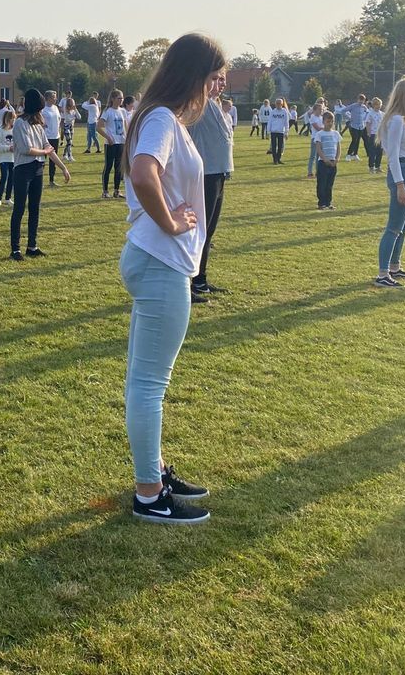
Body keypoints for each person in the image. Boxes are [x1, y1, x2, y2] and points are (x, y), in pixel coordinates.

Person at [121, 32, 223, 525]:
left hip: (155, 259)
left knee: (144, 380)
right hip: (159, 259)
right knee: (149, 384)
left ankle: (154, 473)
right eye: (215, 77)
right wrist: (169, 221)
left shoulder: (165, 117)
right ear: (194, 76)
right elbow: (144, 173)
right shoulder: (161, 117)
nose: (218, 87)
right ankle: (148, 495)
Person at [9, 89, 70, 260]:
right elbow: (26, 149)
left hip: (37, 169)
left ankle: (32, 246)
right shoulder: (20, 123)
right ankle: (15, 249)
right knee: (19, 209)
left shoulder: (37, 124)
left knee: (35, 209)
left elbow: (48, 148)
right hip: (23, 170)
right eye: (40, 108)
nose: (42, 112)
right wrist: (44, 151)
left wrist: (63, 167)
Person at [186, 67, 232, 299]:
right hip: (206, 175)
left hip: (219, 173)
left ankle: (200, 279)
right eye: (216, 79)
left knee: (209, 231)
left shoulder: (218, 106)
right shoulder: (198, 104)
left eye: (223, 80)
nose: (221, 84)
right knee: (200, 231)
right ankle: (190, 283)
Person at [374, 77, 405, 288]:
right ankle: (383, 273)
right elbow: (393, 155)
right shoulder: (395, 120)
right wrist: (401, 185)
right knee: (394, 227)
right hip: (402, 172)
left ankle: (395, 266)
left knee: (404, 226)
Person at [99, 89, 127, 197]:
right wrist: (108, 137)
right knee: (108, 166)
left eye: (122, 98)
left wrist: (128, 138)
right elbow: (99, 127)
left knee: (119, 167)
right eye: (119, 98)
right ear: (113, 99)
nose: (121, 100)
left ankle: (117, 190)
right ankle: (105, 191)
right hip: (111, 143)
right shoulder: (108, 111)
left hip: (121, 142)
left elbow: (126, 126)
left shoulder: (122, 111)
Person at [313, 111, 339, 210]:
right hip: (323, 163)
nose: (330, 123)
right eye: (328, 121)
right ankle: (321, 203)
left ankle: (328, 202)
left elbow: (338, 147)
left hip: (333, 162)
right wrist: (325, 159)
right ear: (323, 121)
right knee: (322, 183)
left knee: (329, 184)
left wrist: (337, 159)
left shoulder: (336, 134)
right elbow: (319, 148)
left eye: (332, 121)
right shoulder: (320, 134)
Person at [0, 109, 15, 205]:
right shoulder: (0, 131)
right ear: (7, 119)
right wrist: (8, 148)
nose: (13, 121)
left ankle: (8, 198)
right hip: (4, 159)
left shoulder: (15, 130)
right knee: (4, 177)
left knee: (11, 178)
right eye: (12, 119)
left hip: (13, 159)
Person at [42, 91, 63, 186]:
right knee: (42, 160)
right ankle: (38, 179)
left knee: (53, 160)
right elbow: (39, 122)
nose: (55, 99)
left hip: (55, 136)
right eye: (54, 97)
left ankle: (51, 180)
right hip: (47, 137)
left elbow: (58, 120)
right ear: (48, 98)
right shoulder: (43, 109)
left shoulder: (55, 108)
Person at [267, 97, 292, 164]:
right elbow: (270, 121)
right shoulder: (273, 112)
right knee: (274, 146)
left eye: (279, 103)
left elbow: (286, 122)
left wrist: (286, 132)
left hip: (281, 132)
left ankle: (278, 159)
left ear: (282, 104)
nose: (278, 105)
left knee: (280, 147)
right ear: (275, 104)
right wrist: (268, 131)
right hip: (273, 132)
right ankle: (275, 160)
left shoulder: (284, 112)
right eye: (277, 103)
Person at [303, 100, 326, 177]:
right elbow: (318, 128)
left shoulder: (322, 117)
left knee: (319, 157)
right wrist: (325, 128)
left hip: (321, 139)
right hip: (315, 139)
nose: (321, 110)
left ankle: (318, 172)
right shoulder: (313, 117)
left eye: (322, 109)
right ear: (315, 110)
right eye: (319, 109)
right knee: (312, 156)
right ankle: (310, 172)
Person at [364, 97, 385, 174]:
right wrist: (369, 133)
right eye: (376, 104)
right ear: (373, 105)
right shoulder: (370, 113)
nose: (378, 106)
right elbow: (368, 123)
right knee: (372, 151)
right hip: (373, 134)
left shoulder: (382, 114)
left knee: (379, 151)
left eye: (379, 104)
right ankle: (371, 167)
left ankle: (378, 166)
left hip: (380, 135)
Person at [345, 94, 368, 160]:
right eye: (360, 100)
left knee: (358, 140)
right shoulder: (353, 106)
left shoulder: (364, 107)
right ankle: (348, 154)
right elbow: (343, 111)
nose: (361, 102)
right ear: (357, 99)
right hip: (354, 126)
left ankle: (355, 154)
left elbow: (367, 113)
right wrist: (349, 118)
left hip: (361, 126)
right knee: (354, 140)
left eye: (362, 100)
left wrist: (364, 119)